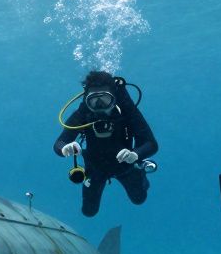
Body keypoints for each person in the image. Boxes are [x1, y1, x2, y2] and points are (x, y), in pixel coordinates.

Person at [54, 70, 158, 217]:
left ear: (114, 98)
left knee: (139, 199)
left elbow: (151, 143)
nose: (100, 105)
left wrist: (135, 154)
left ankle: (139, 171)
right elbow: (59, 143)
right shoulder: (83, 114)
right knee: (89, 211)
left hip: (126, 166)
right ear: (86, 100)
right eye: (93, 100)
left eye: (105, 99)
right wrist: (65, 148)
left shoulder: (127, 112)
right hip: (95, 168)